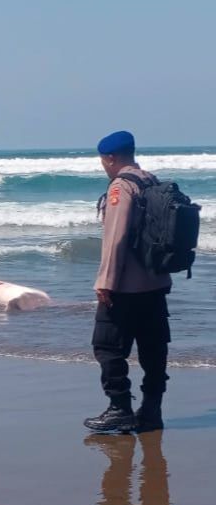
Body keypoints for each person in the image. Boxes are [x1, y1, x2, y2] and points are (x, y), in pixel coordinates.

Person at [84, 130, 171, 433]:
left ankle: (119, 408)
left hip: (125, 287)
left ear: (109, 158)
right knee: (153, 350)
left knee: (107, 347)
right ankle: (151, 412)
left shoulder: (121, 186)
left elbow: (116, 238)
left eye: (103, 160)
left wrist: (105, 281)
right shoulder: (151, 180)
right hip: (157, 283)